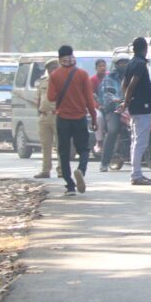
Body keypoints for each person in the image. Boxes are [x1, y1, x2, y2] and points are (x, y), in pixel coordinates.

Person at [48, 45, 97, 196]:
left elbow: (50, 97)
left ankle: (69, 185)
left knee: (63, 151)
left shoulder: (55, 75)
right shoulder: (82, 74)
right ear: (72, 56)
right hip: (79, 117)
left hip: (62, 118)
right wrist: (94, 118)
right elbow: (89, 99)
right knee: (83, 149)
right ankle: (80, 170)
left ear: (59, 58)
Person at [122, 38, 151, 186]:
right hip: (142, 107)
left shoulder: (131, 62)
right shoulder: (140, 64)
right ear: (145, 48)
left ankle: (136, 173)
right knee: (140, 142)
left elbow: (124, 84)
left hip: (136, 107)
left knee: (135, 141)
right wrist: (127, 101)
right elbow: (132, 83)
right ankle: (136, 175)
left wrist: (127, 101)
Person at [99, 57, 128, 172]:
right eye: (121, 63)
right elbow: (106, 94)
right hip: (114, 109)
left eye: (126, 63)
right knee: (113, 131)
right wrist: (116, 100)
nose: (124, 65)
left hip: (131, 108)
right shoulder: (109, 78)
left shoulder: (133, 76)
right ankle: (104, 163)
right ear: (116, 65)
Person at [33, 58, 59, 179]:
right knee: (45, 145)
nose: (52, 70)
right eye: (49, 68)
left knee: (60, 145)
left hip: (57, 115)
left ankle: (62, 170)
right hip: (44, 116)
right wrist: (39, 111)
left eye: (54, 68)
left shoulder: (62, 81)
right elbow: (38, 99)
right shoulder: (43, 82)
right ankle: (45, 170)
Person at [90, 58, 108, 155]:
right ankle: (99, 141)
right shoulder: (93, 80)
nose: (102, 68)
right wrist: (98, 106)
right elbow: (91, 96)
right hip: (98, 106)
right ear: (96, 68)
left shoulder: (109, 77)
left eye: (104, 66)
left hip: (110, 104)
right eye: (100, 66)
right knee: (99, 117)